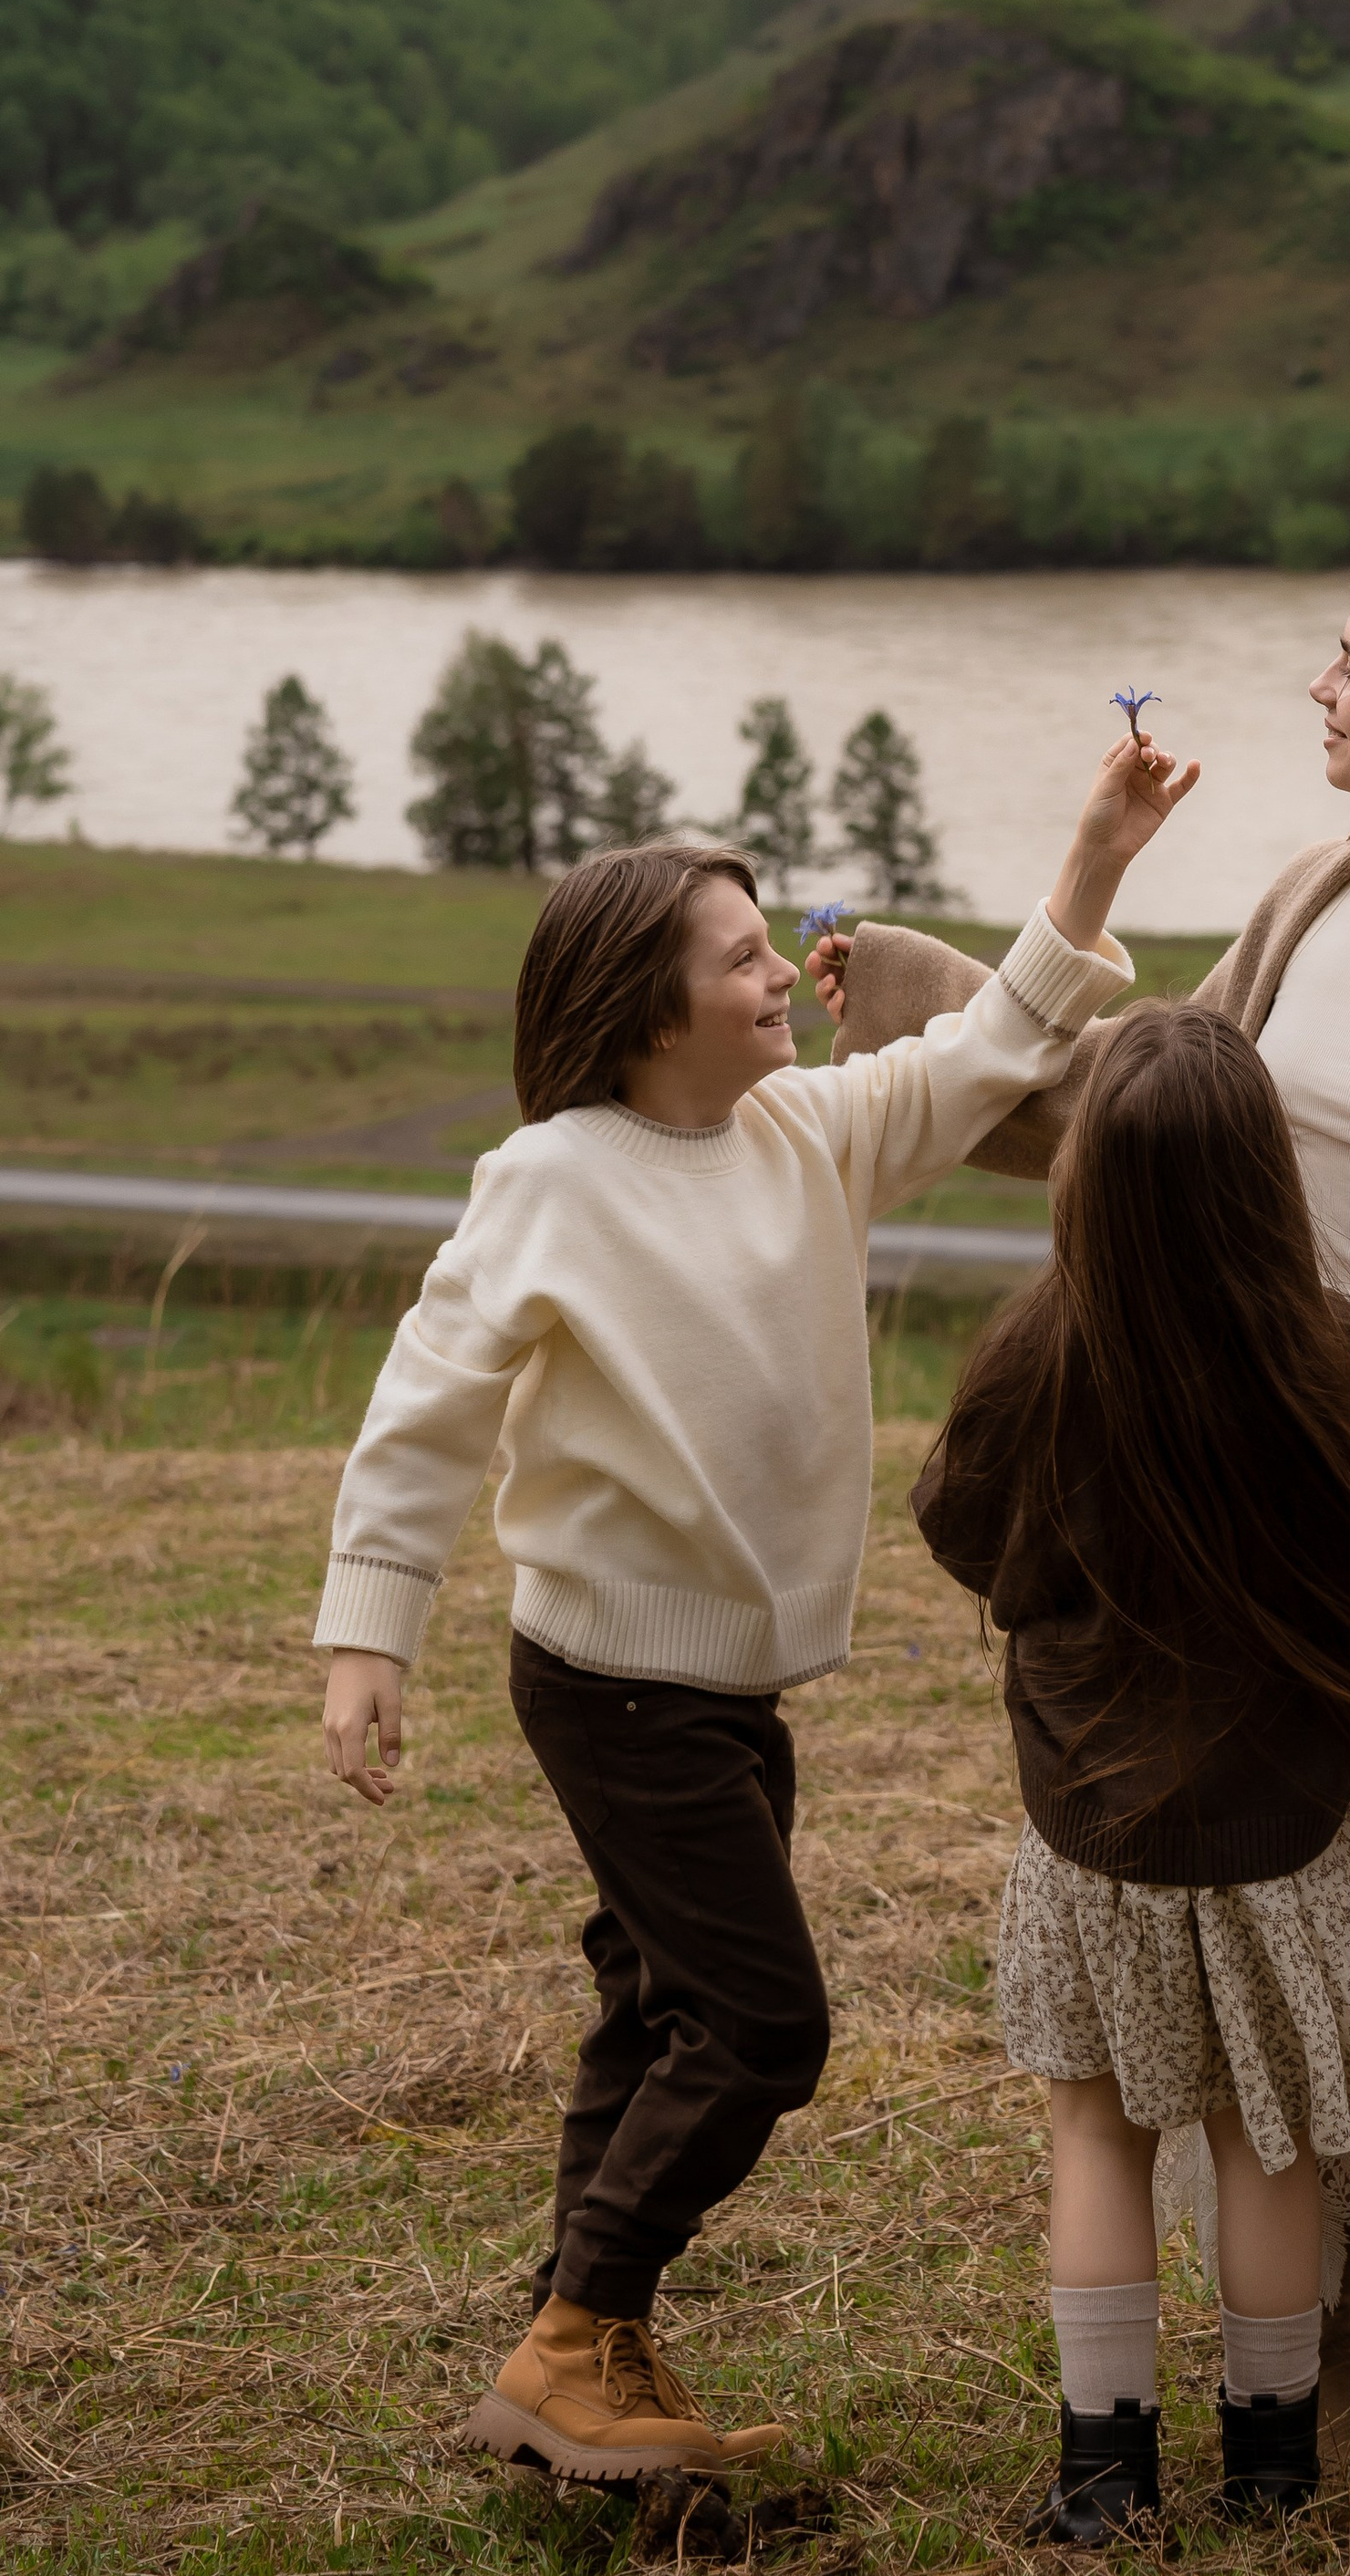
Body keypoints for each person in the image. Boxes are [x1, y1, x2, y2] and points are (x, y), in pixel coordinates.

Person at [816, 523, 1350, 2466]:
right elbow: (1145, 1106)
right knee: (1288, 1941)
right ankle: (1319, 2350)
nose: (1317, 686)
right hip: (1264, 1512)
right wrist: (906, 987)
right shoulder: (1315, 892)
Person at [313, 732, 1193, 2483]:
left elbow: (997, 1043)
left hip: (731, 1693)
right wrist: (367, 1629)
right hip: (608, 1682)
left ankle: (584, 2348)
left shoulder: (809, 1132)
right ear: (649, 1013)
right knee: (764, 2023)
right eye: (741, 955)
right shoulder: (549, 1178)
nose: (789, 967)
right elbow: (425, 1409)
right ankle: (571, 2341)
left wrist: (1095, 850)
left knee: (653, 2008)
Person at [911, 1002, 1350, 2537]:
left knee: (1096, 2131)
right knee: (1269, 2139)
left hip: (1094, 1848)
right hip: (1285, 1846)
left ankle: (1103, 2478)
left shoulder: (1031, 1358)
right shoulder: (1332, 1364)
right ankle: (1275, 2473)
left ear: (1085, 1189)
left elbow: (967, 1541)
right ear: (1268, 1181)